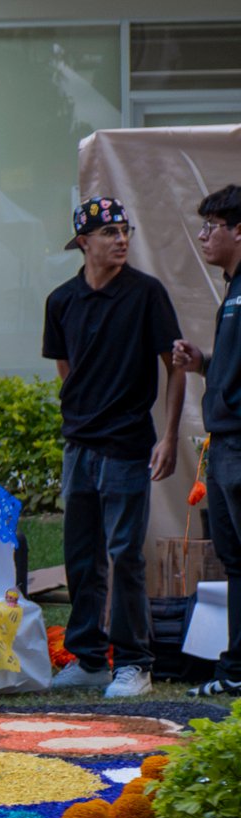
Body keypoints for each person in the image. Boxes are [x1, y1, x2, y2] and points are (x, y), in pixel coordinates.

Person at [41, 196, 186, 700]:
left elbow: (176, 366)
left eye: (125, 231)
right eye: (109, 232)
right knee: (81, 555)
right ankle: (87, 659)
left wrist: (167, 436)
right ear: (83, 242)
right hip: (79, 444)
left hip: (128, 444)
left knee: (124, 554)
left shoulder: (146, 294)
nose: (121, 239)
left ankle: (133, 662)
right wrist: (82, 411)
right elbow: (66, 368)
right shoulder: (61, 300)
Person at [173, 183, 241, 698]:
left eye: (211, 226)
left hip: (238, 443)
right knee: (234, 558)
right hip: (223, 443)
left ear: (238, 229)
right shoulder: (232, 289)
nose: (202, 236)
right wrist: (204, 365)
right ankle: (236, 666)